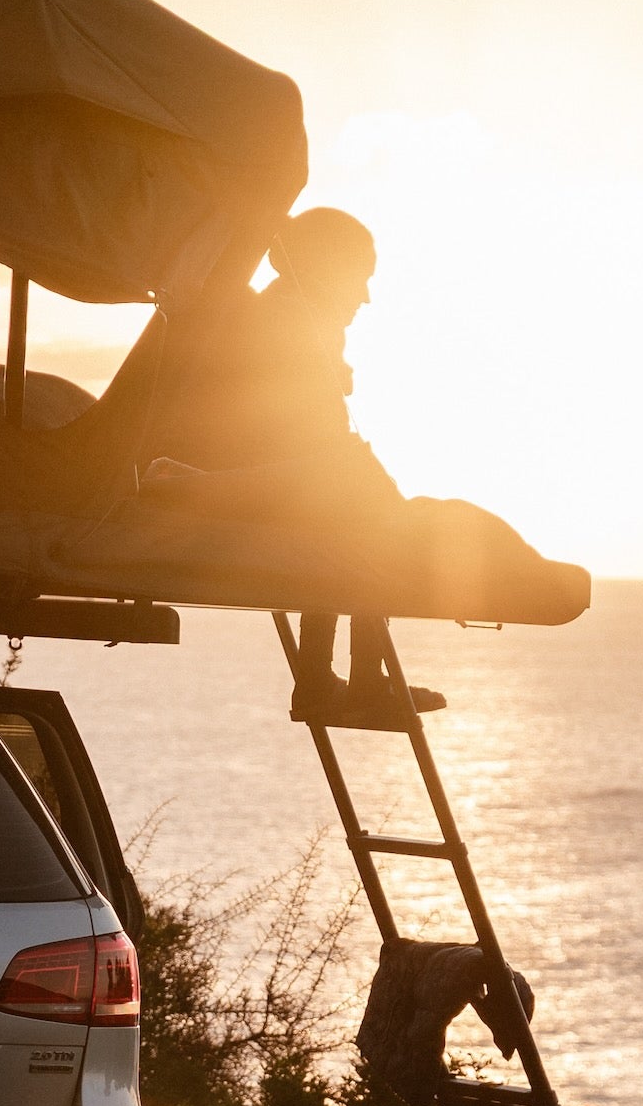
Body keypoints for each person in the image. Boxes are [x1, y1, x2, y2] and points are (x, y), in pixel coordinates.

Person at [128, 209, 429, 728]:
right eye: (360, 278)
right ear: (326, 271)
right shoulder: (289, 323)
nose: (365, 297)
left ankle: (328, 679)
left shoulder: (285, 318)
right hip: (221, 482)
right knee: (368, 507)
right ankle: (350, 681)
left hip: (236, 476)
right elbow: (303, 440)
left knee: (354, 494)